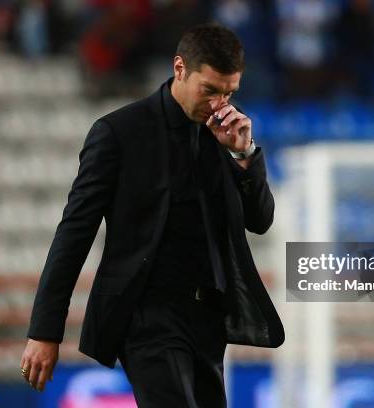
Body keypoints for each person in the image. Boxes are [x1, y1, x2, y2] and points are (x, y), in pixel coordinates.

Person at [21, 23, 284, 406]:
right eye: (209, 90)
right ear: (180, 69)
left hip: (208, 315)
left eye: (229, 93)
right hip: (146, 313)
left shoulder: (229, 130)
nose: (218, 104)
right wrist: (44, 331)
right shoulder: (119, 133)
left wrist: (244, 156)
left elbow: (260, 221)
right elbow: (74, 232)